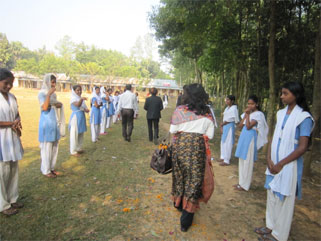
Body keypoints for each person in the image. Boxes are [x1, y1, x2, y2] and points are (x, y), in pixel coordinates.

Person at [255, 82, 314, 241]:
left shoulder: (304, 118)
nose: (281, 96)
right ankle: (270, 225)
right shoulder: (280, 114)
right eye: (281, 93)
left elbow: (302, 147)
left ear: (296, 95)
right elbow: (273, 137)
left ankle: (278, 235)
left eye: (285, 93)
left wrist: (281, 163)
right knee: (272, 195)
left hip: (289, 165)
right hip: (273, 162)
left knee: (284, 199)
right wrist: (269, 158)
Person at [170, 83, 215, 232]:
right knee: (194, 180)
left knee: (180, 175)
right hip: (197, 149)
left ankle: (178, 204)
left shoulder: (179, 111)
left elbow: (173, 130)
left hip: (180, 148)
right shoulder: (207, 113)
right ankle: (186, 219)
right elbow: (210, 135)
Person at [0, 68, 24, 216]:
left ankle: (13, 197)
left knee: (13, 168)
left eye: (11, 84)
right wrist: (10, 124)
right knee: (2, 171)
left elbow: (17, 114)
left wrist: (17, 121)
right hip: (2, 139)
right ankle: (3, 204)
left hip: (13, 136)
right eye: (6, 83)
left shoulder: (12, 97)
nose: (9, 86)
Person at [234, 95, 268, 191]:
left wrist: (248, 115)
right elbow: (240, 126)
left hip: (250, 137)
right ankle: (241, 182)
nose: (250, 105)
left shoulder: (258, 114)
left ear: (257, 104)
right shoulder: (248, 113)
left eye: (252, 104)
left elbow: (249, 126)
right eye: (248, 103)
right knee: (241, 159)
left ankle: (245, 185)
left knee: (247, 161)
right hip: (244, 136)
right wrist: (245, 116)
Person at [38, 74, 65, 178]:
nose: (53, 84)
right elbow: (44, 107)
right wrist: (48, 95)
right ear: (46, 82)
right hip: (46, 122)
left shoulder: (54, 95)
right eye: (52, 82)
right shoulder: (42, 93)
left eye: (54, 82)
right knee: (47, 147)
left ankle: (51, 168)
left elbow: (57, 104)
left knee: (54, 146)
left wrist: (55, 103)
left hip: (54, 121)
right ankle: (46, 170)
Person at [219, 95, 239, 166]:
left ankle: (227, 160)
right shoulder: (227, 108)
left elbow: (231, 119)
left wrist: (222, 124)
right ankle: (223, 156)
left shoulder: (234, 109)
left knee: (228, 143)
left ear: (232, 101)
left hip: (229, 126)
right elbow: (224, 117)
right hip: (225, 126)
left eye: (228, 100)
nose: (226, 101)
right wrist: (222, 125)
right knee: (223, 142)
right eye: (226, 100)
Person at [69, 85, 89, 156]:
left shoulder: (80, 98)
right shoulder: (73, 98)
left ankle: (79, 148)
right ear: (74, 91)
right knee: (74, 134)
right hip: (76, 117)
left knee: (81, 133)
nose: (79, 91)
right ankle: (73, 151)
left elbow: (85, 108)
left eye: (80, 90)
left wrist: (86, 110)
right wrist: (82, 99)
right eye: (77, 90)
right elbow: (77, 105)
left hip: (81, 116)